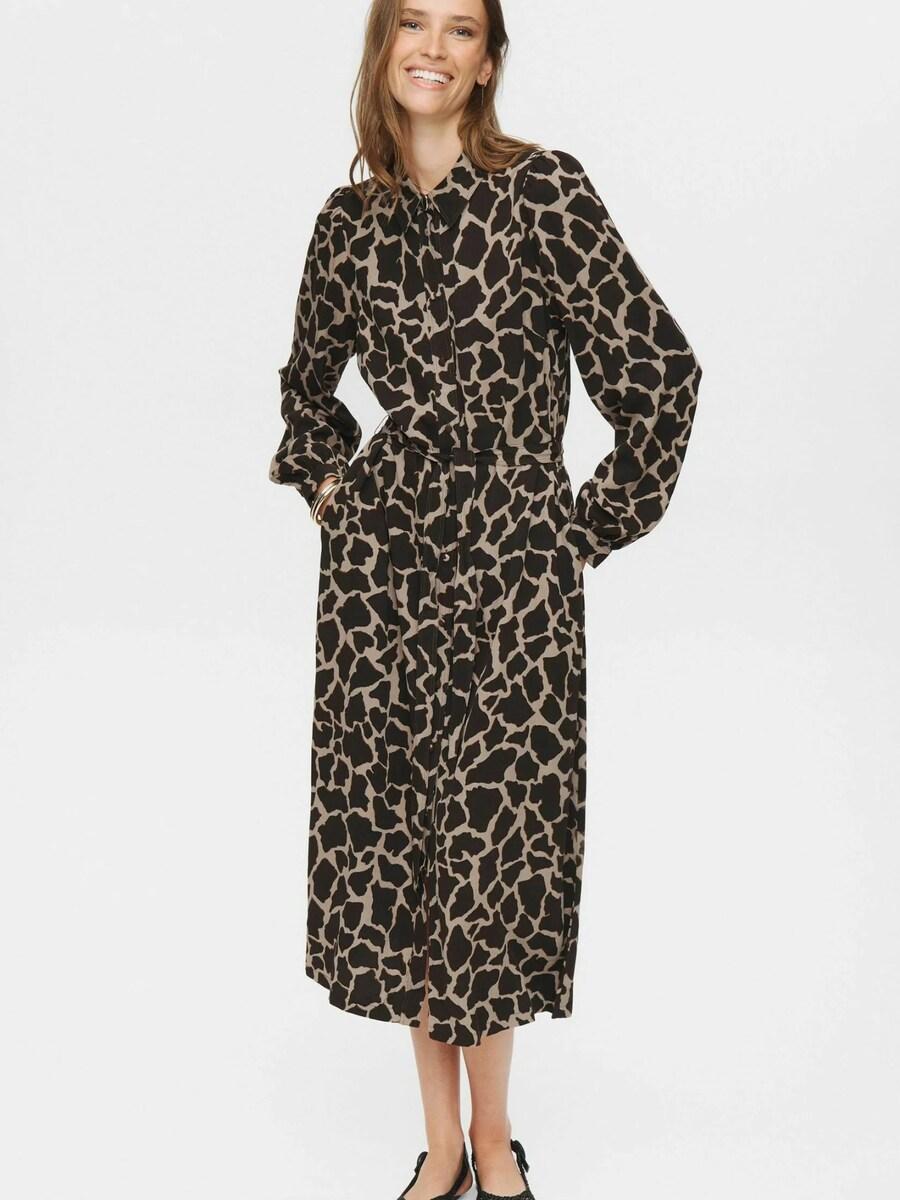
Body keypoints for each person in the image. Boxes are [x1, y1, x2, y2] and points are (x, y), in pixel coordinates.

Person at [268, 1, 703, 1196]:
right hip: (382, 590)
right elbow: (306, 392)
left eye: (460, 28)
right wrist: (337, 497)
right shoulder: (347, 223)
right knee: (406, 858)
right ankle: (444, 1143)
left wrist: (578, 530)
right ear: (381, 48)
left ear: (489, 59)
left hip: (513, 586)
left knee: (494, 861)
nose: (433, 47)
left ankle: (497, 1138)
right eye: (412, 22)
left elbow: (660, 372)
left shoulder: (544, 193)